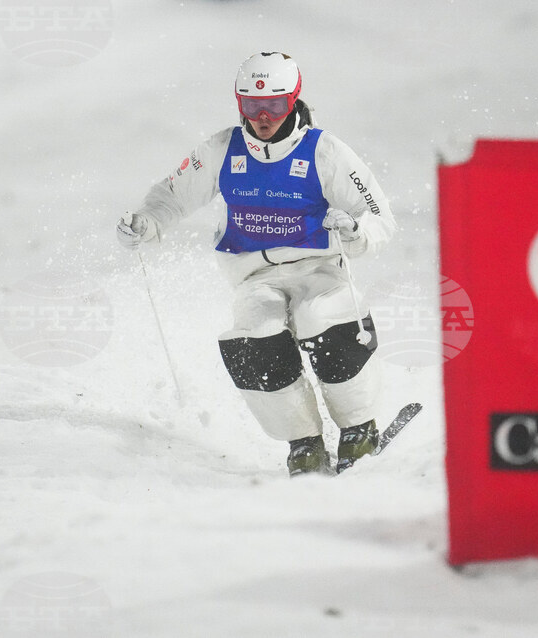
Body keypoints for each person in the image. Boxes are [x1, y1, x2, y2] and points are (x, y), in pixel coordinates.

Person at [117, 52, 396, 476]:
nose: (263, 116)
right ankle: (303, 443)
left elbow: (379, 215)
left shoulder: (325, 151)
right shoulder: (221, 149)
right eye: (252, 106)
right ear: (239, 104)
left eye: (275, 106)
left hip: (317, 267)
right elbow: (172, 196)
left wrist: (356, 232)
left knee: (324, 316)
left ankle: (360, 428)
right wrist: (147, 221)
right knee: (253, 337)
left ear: (294, 101)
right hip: (255, 274)